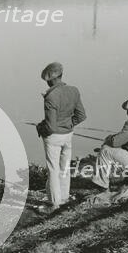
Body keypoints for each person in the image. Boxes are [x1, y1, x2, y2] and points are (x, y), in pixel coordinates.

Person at [36, 62, 87, 210]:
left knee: (53, 170)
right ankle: (64, 198)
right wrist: (69, 124)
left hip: (54, 137)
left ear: (49, 80)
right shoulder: (74, 90)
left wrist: (40, 127)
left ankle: (54, 203)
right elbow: (81, 116)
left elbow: (51, 126)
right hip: (68, 135)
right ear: (61, 75)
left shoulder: (50, 96)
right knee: (64, 167)